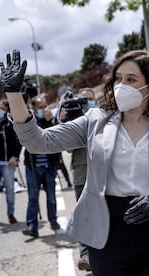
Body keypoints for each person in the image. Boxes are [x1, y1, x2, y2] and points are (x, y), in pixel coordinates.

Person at [0, 49, 149, 275]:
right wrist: (13, 95)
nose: (121, 85)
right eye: (118, 78)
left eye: (131, 79)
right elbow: (38, 142)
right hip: (109, 235)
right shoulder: (95, 121)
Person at [60, 87, 97, 271]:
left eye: (88, 99)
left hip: (103, 174)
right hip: (82, 174)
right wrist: (69, 120)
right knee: (84, 215)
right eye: (82, 99)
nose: (85, 102)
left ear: (95, 100)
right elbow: (67, 148)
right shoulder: (76, 121)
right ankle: (85, 255)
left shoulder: (104, 117)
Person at [22, 95, 61, 238]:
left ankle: (53, 220)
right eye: (40, 107)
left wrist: (49, 120)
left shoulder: (51, 121)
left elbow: (56, 136)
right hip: (33, 167)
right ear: (33, 108)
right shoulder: (30, 121)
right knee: (33, 197)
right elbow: (31, 134)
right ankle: (32, 226)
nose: (44, 110)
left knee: (51, 196)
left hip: (49, 166)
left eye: (45, 106)